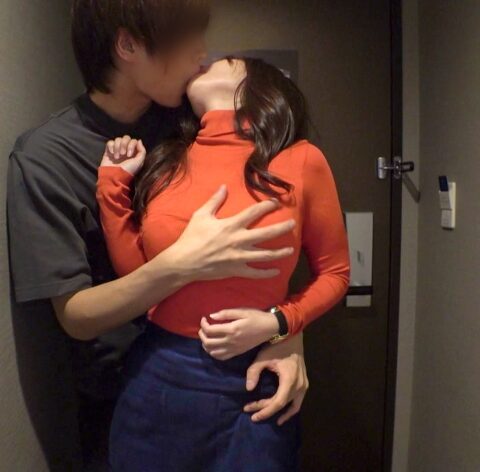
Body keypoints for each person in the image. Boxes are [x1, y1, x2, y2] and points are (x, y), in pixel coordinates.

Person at [6, 2, 310, 470]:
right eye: (185, 36)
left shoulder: (194, 121)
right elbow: (76, 316)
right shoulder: (47, 158)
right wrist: (181, 265)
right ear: (127, 45)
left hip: (232, 371)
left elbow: (274, 222)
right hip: (119, 399)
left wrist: (287, 331)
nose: (201, 51)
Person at [96, 56, 351, 471]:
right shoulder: (167, 161)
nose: (202, 62)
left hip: (253, 378)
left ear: (257, 86)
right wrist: (112, 183)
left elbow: (336, 273)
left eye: (222, 60)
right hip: (159, 375)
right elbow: (137, 277)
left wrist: (279, 323)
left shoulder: (301, 160)